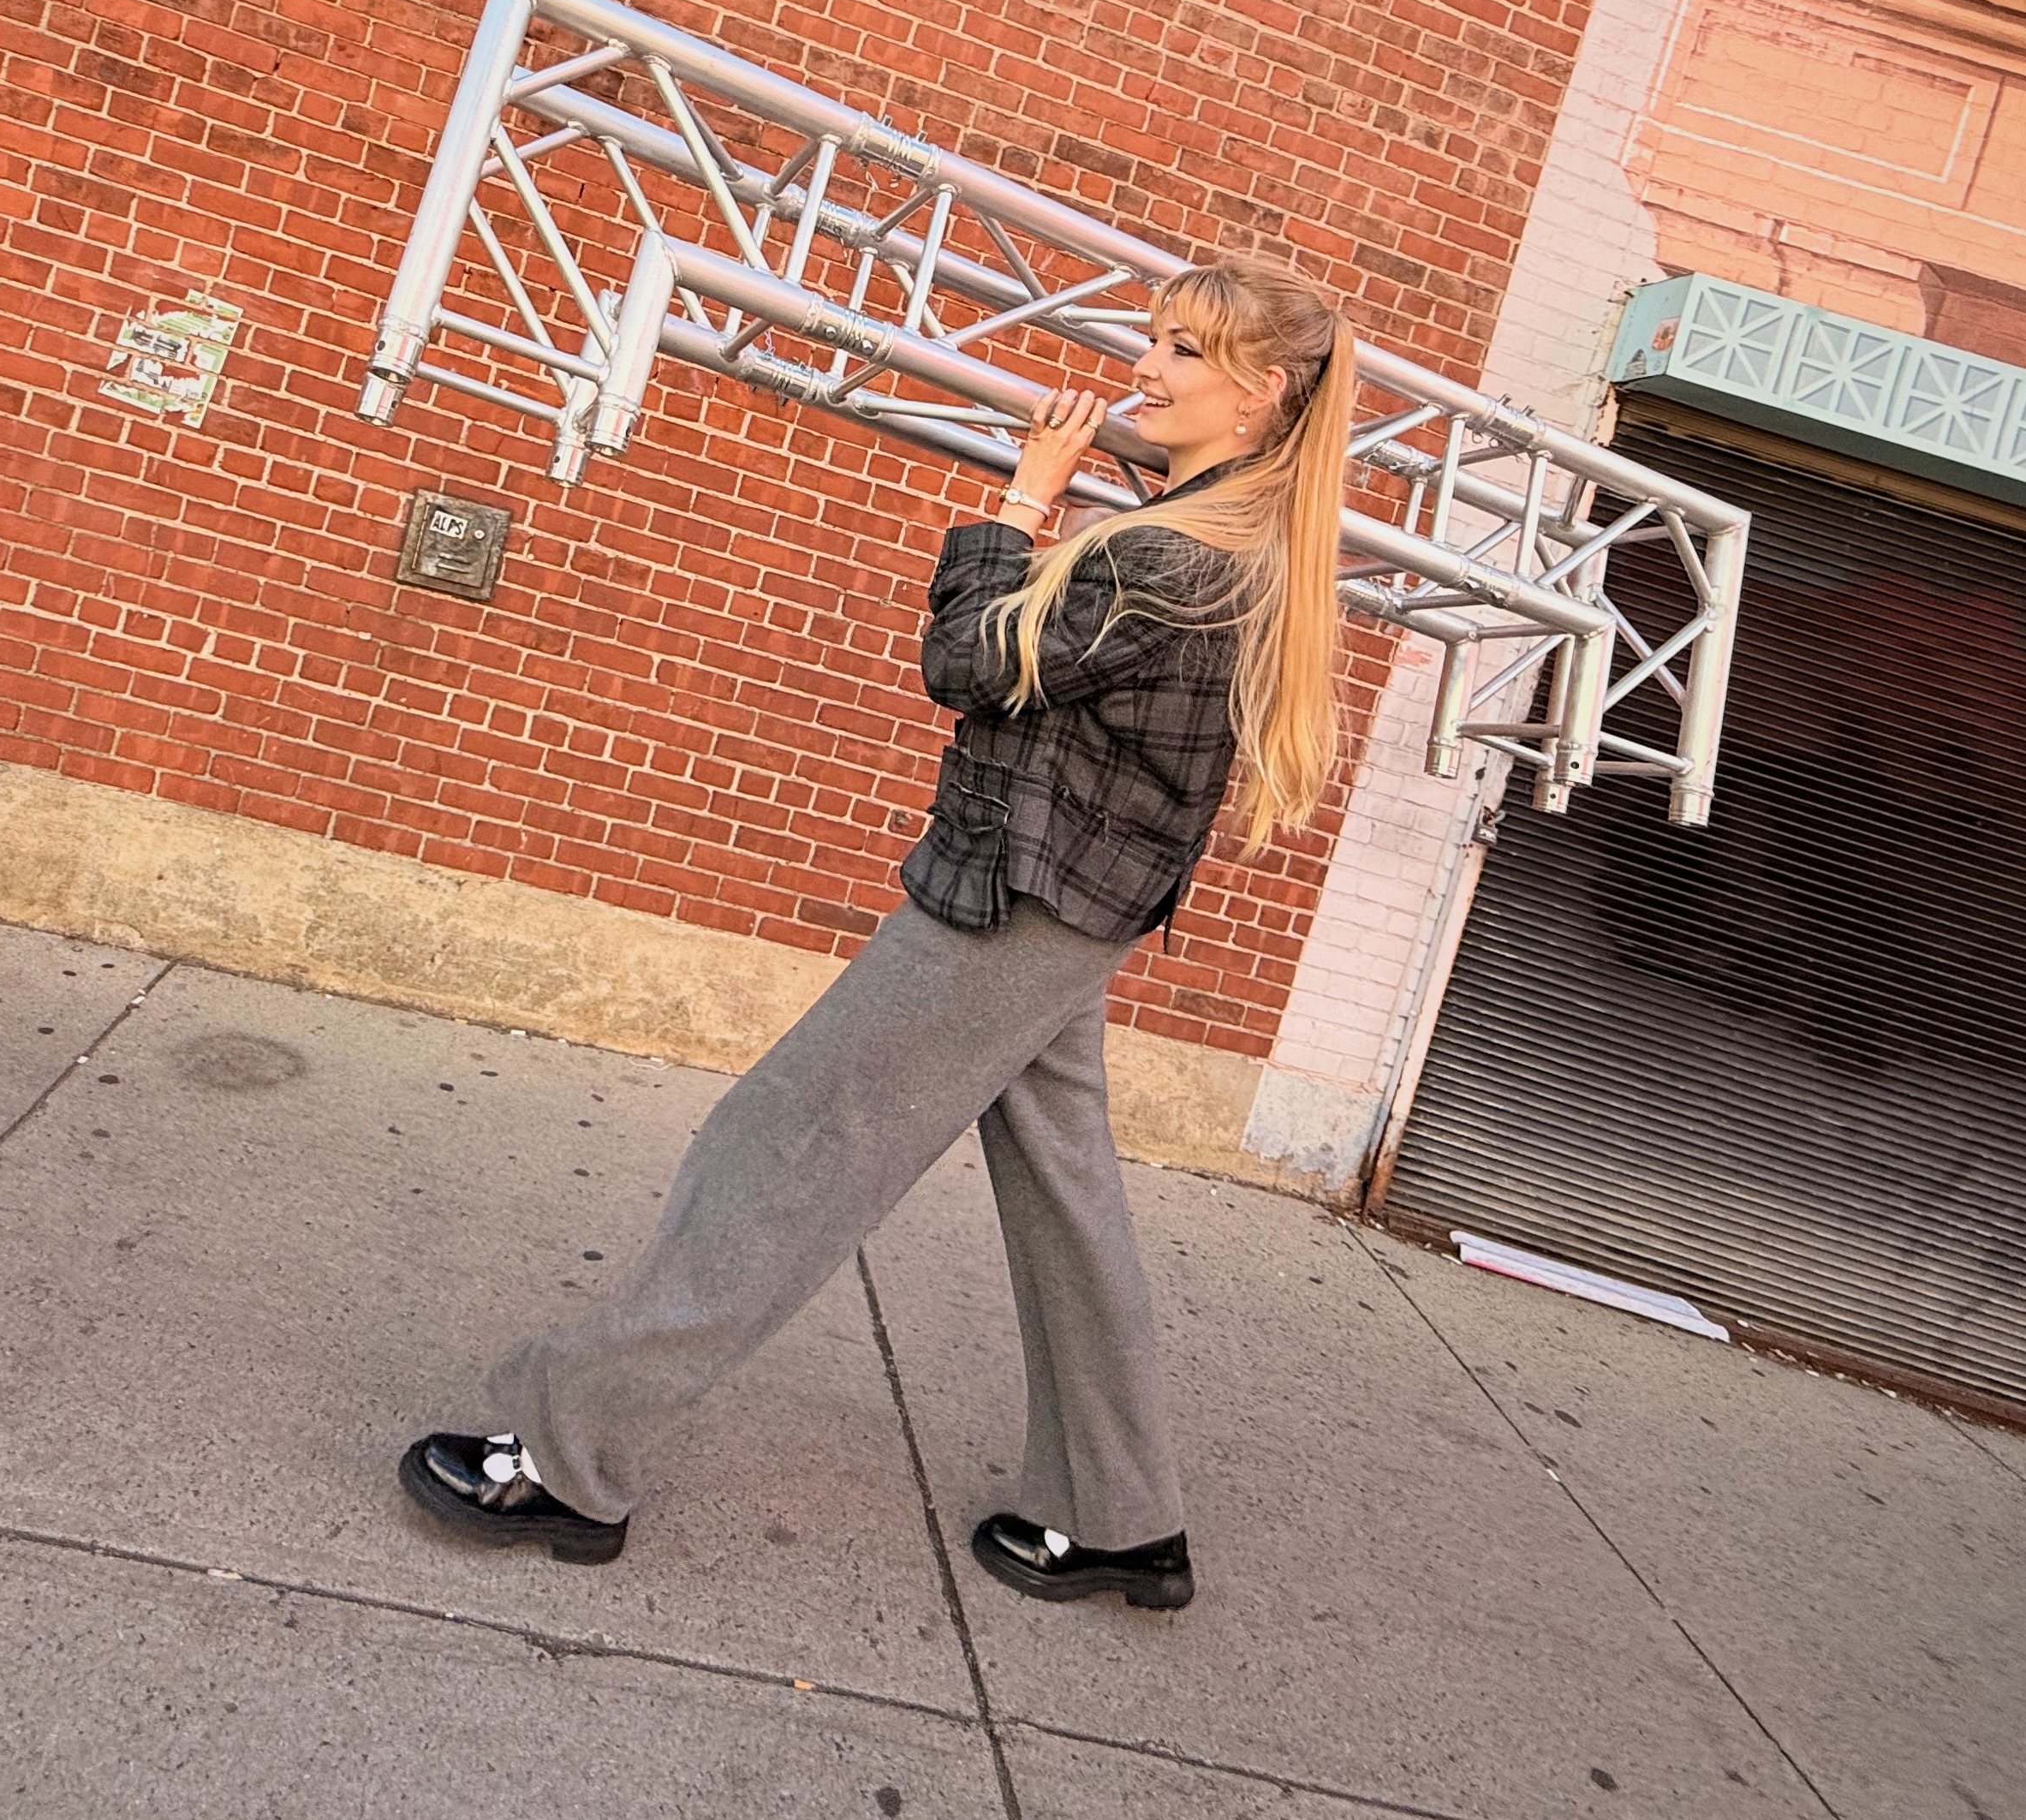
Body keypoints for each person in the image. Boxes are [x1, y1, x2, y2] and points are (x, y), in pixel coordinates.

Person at [401, 254, 1360, 1610]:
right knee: (1065, 1201)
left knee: (782, 1147)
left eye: (1185, 352)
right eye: (1153, 338)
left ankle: (569, 1455)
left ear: (1263, 393)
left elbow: (966, 663)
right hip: (1067, 907)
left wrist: (1020, 506)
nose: (1146, 367)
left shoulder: (1174, 559)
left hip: (1014, 909)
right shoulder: (1219, 535)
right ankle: (1122, 1515)